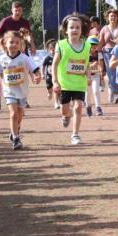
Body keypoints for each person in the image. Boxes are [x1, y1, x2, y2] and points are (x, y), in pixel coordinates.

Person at [0, 30, 37, 150]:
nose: (14, 44)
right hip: (9, 91)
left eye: (17, 42)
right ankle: (16, 138)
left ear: (21, 44)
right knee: (13, 113)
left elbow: (33, 68)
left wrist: (37, 76)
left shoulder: (24, 58)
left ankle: (15, 129)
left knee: (20, 114)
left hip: (22, 91)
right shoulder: (2, 59)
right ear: (5, 44)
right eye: (11, 42)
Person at [52, 14, 90, 145]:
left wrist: (89, 76)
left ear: (81, 29)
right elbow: (55, 64)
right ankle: (65, 116)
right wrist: (55, 81)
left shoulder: (87, 46)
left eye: (77, 27)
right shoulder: (61, 45)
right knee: (65, 109)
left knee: (78, 107)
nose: (74, 30)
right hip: (65, 85)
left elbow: (86, 63)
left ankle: (75, 134)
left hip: (79, 84)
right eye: (71, 27)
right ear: (66, 30)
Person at [97, 8, 118, 104]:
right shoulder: (104, 29)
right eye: (111, 16)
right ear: (108, 17)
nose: (113, 17)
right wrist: (96, 52)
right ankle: (115, 93)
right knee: (111, 73)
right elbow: (101, 42)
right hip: (107, 53)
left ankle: (116, 91)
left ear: (117, 17)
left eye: (115, 16)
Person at [86, 36, 106, 117]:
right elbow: (83, 66)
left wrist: (101, 71)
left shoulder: (99, 54)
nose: (93, 48)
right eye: (91, 46)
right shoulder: (85, 54)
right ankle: (88, 106)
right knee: (88, 92)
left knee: (96, 91)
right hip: (87, 76)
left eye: (95, 46)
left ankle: (98, 107)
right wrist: (91, 65)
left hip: (95, 75)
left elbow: (101, 63)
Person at [42, 39, 59, 109]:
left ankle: (56, 103)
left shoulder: (58, 57)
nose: (52, 51)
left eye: (54, 49)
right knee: (50, 89)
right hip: (49, 77)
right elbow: (43, 66)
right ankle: (49, 93)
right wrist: (43, 74)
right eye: (51, 49)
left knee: (56, 89)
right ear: (48, 50)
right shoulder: (47, 58)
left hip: (57, 77)